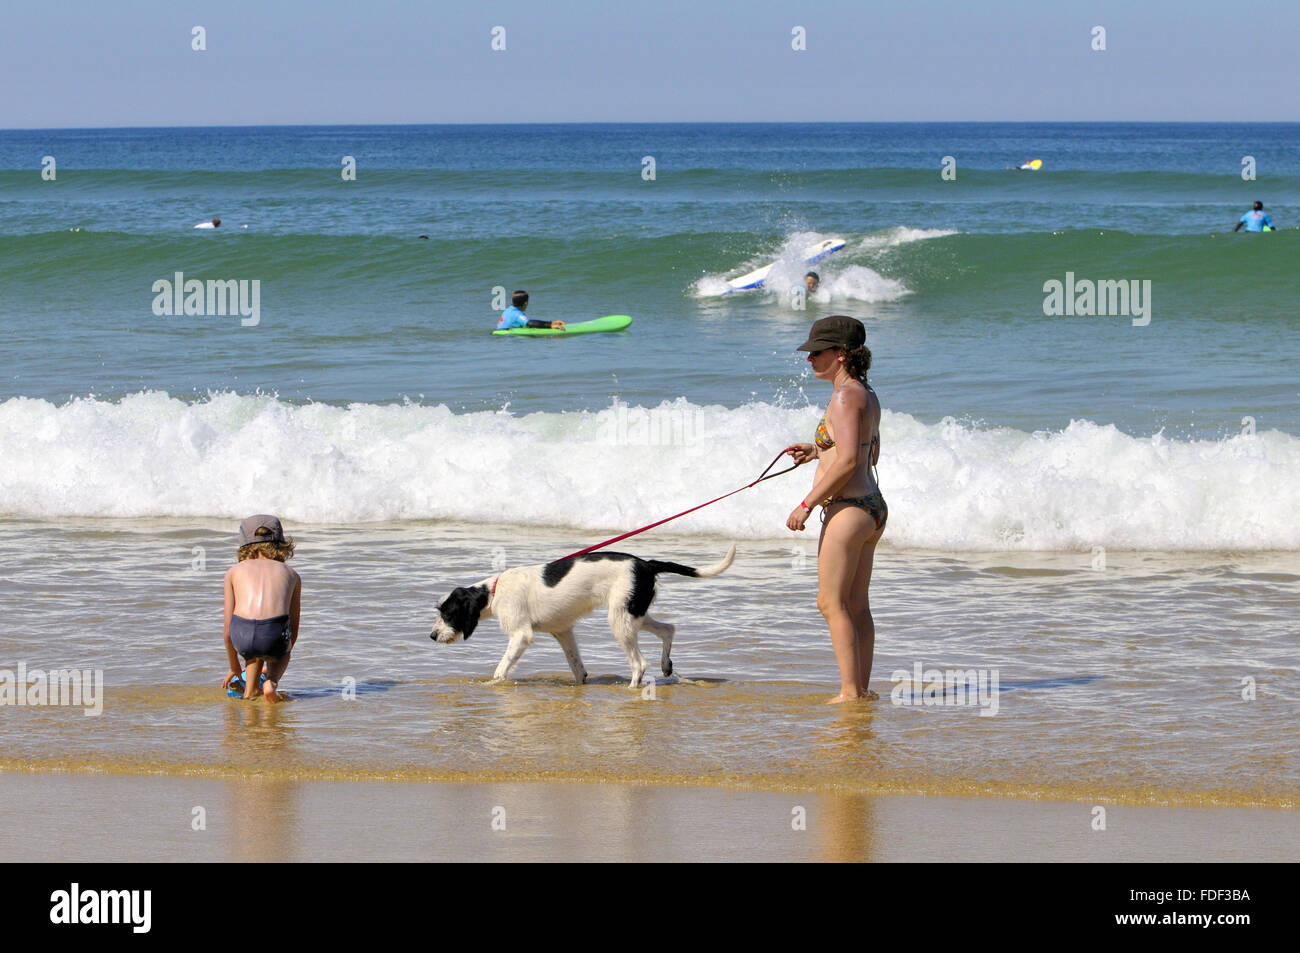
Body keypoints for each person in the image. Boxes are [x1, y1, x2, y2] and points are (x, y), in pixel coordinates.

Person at [784, 315, 886, 704]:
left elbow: (846, 464)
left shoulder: (844, 396)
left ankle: (849, 693)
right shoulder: (866, 392)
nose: (809, 360)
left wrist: (806, 504)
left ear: (841, 354)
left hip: (848, 509)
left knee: (829, 602)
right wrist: (817, 451)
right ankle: (860, 689)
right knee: (856, 605)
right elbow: (868, 451)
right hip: (872, 508)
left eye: (816, 352)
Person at [222, 515, 301, 703]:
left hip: (242, 634)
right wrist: (282, 653)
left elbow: (227, 631)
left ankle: (250, 692)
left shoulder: (233, 571)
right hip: (273, 633)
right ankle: (270, 683)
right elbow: (294, 629)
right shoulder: (292, 574)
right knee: (281, 647)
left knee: (253, 648)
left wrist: (234, 666)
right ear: (282, 544)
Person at [497, 290, 565, 331]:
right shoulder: (516, 314)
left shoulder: (508, 310)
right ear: (525, 303)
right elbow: (530, 323)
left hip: (500, 334)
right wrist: (550, 324)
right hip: (506, 336)